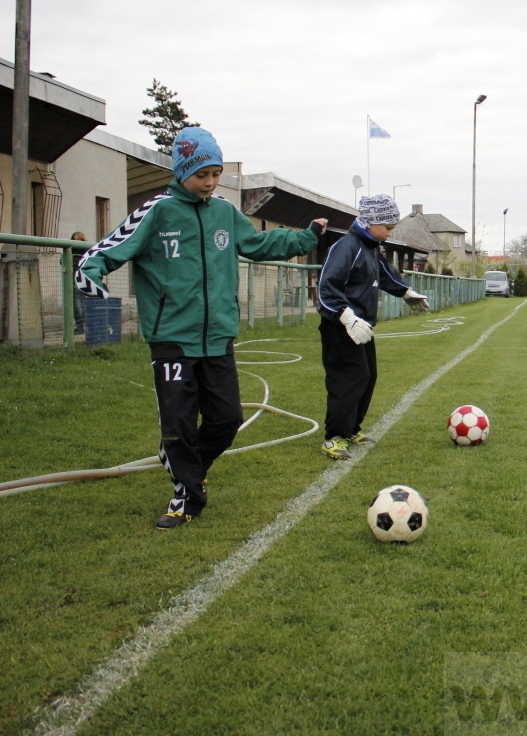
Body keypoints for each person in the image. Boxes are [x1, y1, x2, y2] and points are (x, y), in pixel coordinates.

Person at [76, 127, 328, 529]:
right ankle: (187, 496)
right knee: (177, 425)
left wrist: (305, 237)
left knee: (227, 419)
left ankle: (189, 465)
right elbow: (108, 248)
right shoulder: (156, 211)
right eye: (201, 175)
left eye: (215, 174)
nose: (210, 183)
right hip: (172, 338)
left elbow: (260, 246)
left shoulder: (226, 213)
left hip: (217, 338)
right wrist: (90, 275)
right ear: (181, 171)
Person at [316, 194, 429, 460]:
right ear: (370, 221)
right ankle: (333, 437)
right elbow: (326, 287)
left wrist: (405, 293)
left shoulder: (371, 248)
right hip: (341, 328)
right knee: (347, 379)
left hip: (362, 327)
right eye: (388, 227)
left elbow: (386, 275)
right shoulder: (346, 247)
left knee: (368, 376)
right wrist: (345, 316)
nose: (390, 233)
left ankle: (351, 428)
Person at [69, 231, 88, 333]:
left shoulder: (85, 250)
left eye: (78, 239)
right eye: (74, 239)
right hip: (72, 278)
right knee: (75, 304)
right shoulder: (70, 250)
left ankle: (83, 326)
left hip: (82, 278)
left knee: (79, 303)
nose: (76, 241)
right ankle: (80, 326)